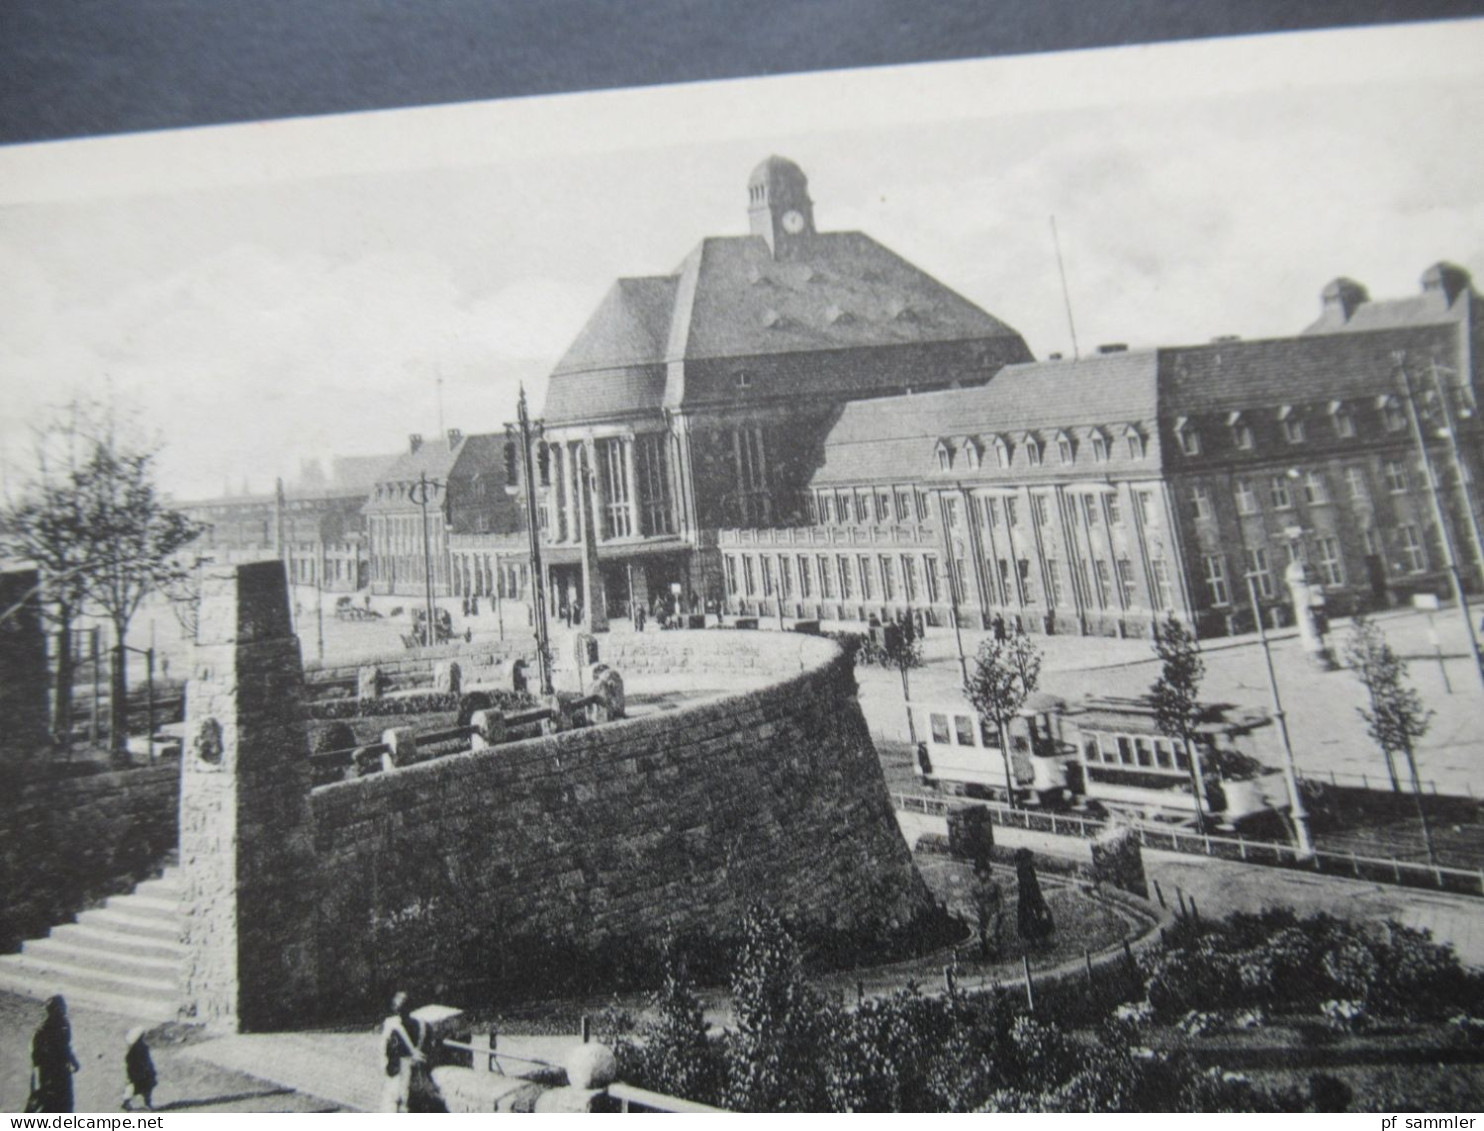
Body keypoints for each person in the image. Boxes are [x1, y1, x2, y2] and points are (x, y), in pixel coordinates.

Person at [30, 995, 79, 1113]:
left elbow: (36, 1057)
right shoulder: (57, 1027)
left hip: (52, 1074)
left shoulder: (45, 1030)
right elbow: (63, 1048)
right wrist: (73, 1062)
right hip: (56, 1075)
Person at [380, 991, 426, 1113]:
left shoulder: (393, 1024)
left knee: (398, 1099)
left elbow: (386, 1046)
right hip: (401, 1064)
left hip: (401, 1064)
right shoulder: (417, 1024)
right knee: (399, 1098)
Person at [122, 1027, 157, 1111]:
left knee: (135, 1087)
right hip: (141, 1072)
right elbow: (145, 1060)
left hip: (138, 1072)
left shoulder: (133, 1049)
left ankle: (128, 1102)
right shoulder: (140, 1049)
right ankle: (147, 1104)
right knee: (144, 1087)